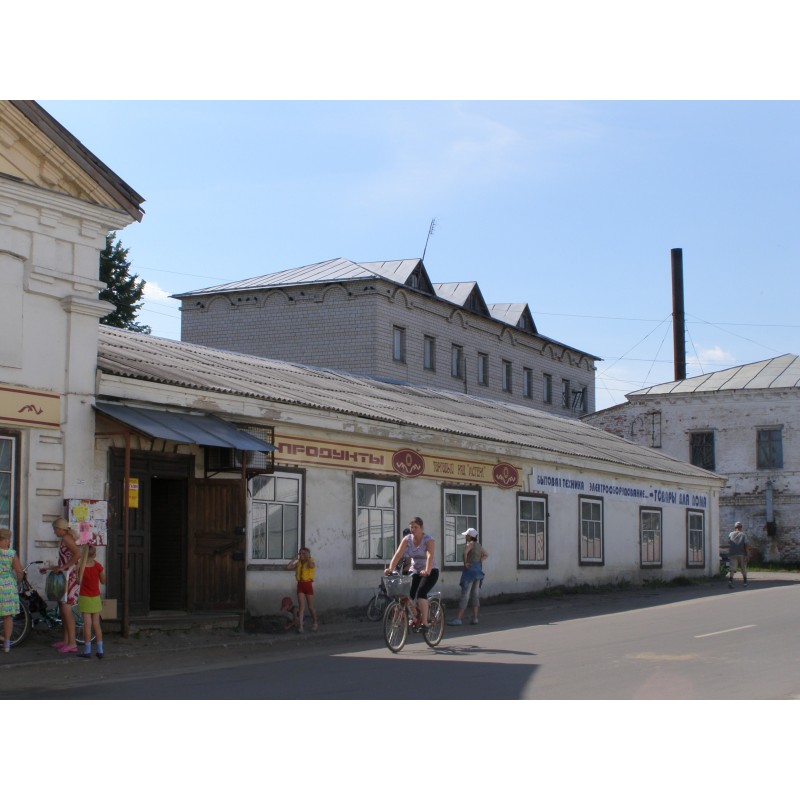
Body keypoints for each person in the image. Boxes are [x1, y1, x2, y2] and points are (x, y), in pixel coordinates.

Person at [384, 517, 439, 627]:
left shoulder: (428, 540)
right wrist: (390, 568)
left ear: (421, 528)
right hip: (415, 570)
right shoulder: (407, 539)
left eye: (416, 527)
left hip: (430, 571)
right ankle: (415, 615)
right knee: (408, 594)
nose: (413, 529)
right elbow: (398, 554)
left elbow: (430, 556)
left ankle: (425, 623)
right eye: (411, 527)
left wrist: (427, 570)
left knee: (421, 593)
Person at [41, 517, 81, 653]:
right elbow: (64, 561)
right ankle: (66, 640)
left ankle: (72, 643)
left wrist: (65, 567)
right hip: (66, 576)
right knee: (62, 609)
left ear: (60, 529)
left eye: (55, 529)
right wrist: (50, 568)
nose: (54, 532)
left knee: (66, 609)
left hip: (69, 577)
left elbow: (78, 554)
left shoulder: (66, 539)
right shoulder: (66, 538)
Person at [450, 528, 488, 626]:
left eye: (467, 535)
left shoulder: (469, 544)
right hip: (478, 571)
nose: (465, 536)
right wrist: (479, 560)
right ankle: (475, 618)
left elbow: (465, 553)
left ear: (470, 536)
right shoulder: (479, 545)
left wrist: (465, 563)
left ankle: (459, 618)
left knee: (465, 594)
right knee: (475, 594)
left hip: (470, 571)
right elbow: (486, 554)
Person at [76, 546, 105, 659]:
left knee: (87, 625)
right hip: (96, 597)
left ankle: (87, 650)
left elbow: (78, 582)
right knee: (96, 624)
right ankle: (100, 650)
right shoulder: (98, 566)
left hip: (84, 598)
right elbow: (103, 581)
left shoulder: (80, 567)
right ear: (94, 554)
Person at [0, 529, 23, 653]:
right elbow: (19, 571)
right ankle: (7, 644)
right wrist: (18, 582)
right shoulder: (11, 553)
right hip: (8, 586)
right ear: (6, 540)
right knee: (8, 616)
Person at [286, 547, 318, 632]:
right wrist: (294, 559)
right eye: (300, 553)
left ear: (307, 554)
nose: (301, 555)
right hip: (300, 585)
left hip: (308, 585)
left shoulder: (310, 562)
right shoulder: (299, 563)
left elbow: (311, 566)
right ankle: (301, 627)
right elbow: (288, 567)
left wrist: (308, 558)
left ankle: (315, 622)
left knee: (310, 607)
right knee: (301, 607)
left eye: (303, 553)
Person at [728, 521, 749, 588]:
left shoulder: (731, 534)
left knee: (732, 568)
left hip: (732, 553)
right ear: (741, 527)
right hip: (741, 553)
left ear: (735, 527)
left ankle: (730, 581)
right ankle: (745, 582)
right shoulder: (743, 535)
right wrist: (747, 555)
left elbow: (729, 542)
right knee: (743, 567)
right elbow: (746, 545)